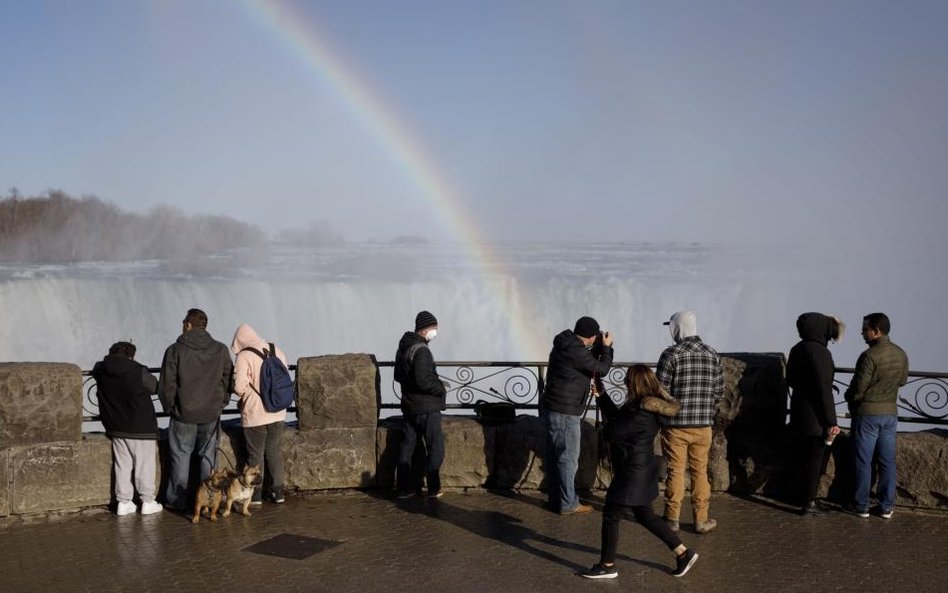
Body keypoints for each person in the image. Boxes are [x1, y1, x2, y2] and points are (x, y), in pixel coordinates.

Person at [582, 365, 699, 579]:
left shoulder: (639, 412)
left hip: (631, 472)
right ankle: (683, 553)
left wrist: (604, 429)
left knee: (611, 515)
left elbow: (613, 432)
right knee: (645, 515)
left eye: (628, 380)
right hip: (643, 468)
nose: (626, 383)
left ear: (634, 383)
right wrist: (602, 396)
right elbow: (620, 419)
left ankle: (607, 565)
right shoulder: (646, 407)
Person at [159, 308, 234, 511]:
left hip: (183, 414)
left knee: (181, 457)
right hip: (211, 413)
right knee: (208, 457)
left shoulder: (175, 350)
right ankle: (211, 500)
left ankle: (177, 501)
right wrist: (222, 402)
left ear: (188, 325)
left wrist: (170, 407)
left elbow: (167, 384)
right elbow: (229, 379)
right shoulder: (220, 349)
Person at [657, 310, 724, 533]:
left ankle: (671, 518)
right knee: (699, 471)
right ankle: (701, 519)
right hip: (703, 425)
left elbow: (661, 390)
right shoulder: (713, 354)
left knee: (675, 471)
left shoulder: (671, 355)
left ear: (677, 328)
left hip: (675, 425)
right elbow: (719, 391)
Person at [541, 316, 613, 515]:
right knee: (568, 458)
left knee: (556, 456)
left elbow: (587, 361)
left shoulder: (567, 343)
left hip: (554, 406)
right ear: (590, 337)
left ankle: (557, 499)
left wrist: (600, 349)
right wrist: (607, 348)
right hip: (565, 410)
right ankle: (568, 503)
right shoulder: (575, 350)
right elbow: (603, 369)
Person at [844, 312, 909, 519]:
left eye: (865, 329)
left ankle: (861, 505)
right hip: (890, 413)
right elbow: (903, 380)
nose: (862, 334)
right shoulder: (901, 353)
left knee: (864, 460)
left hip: (868, 414)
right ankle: (886, 506)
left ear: (876, 331)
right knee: (887, 461)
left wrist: (850, 397)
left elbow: (859, 388)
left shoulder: (869, 356)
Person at [92, 341, 162, 516]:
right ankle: (147, 501)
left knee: (122, 465)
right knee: (144, 465)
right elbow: (155, 387)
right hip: (141, 426)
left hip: (116, 426)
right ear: (131, 356)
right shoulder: (138, 371)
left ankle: (124, 502)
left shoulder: (100, 369)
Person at [786, 313, 844, 515]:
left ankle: (799, 496)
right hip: (816, 417)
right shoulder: (821, 353)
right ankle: (808, 502)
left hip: (798, 411)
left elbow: (791, 380)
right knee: (816, 459)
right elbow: (823, 390)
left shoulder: (797, 349)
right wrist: (831, 420)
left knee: (802, 457)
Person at [231, 323, 289, 505]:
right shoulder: (276, 349)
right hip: (278, 411)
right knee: (273, 451)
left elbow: (239, 387)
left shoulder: (244, 356)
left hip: (255, 413)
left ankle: (255, 495)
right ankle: (278, 493)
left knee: (255, 454)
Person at [394, 310, 447, 499]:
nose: (436, 331)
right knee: (436, 448)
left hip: (409, 406)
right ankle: (433, 487)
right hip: (427, 409)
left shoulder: (404, 347)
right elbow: (423, 381)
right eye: (434, 328)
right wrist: (440, 388)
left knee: (407, 447)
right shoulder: (422, 350)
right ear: (425, 329)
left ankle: (404, 488)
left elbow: (398, 376)